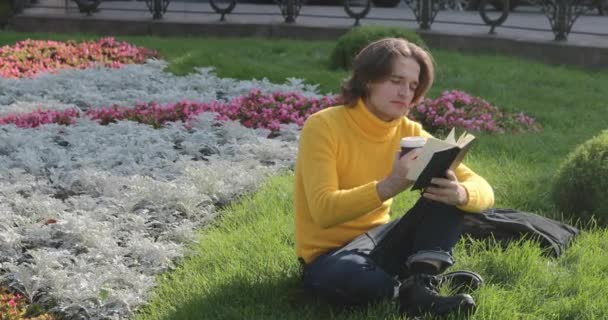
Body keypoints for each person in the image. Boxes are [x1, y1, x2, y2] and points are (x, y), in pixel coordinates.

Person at [293, 38, 495, 317]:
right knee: (360, 281)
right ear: (367, 80)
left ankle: (421, 286)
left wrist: (462, 194)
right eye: (396, 80)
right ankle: (407, 286)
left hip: (380, 240)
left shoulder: (409, 132)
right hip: (328, 257)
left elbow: (482, 187)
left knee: (446, 191)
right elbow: (324, 210)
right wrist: (390, 185)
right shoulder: (324, 126)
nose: (405, 92)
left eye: (413, 86)